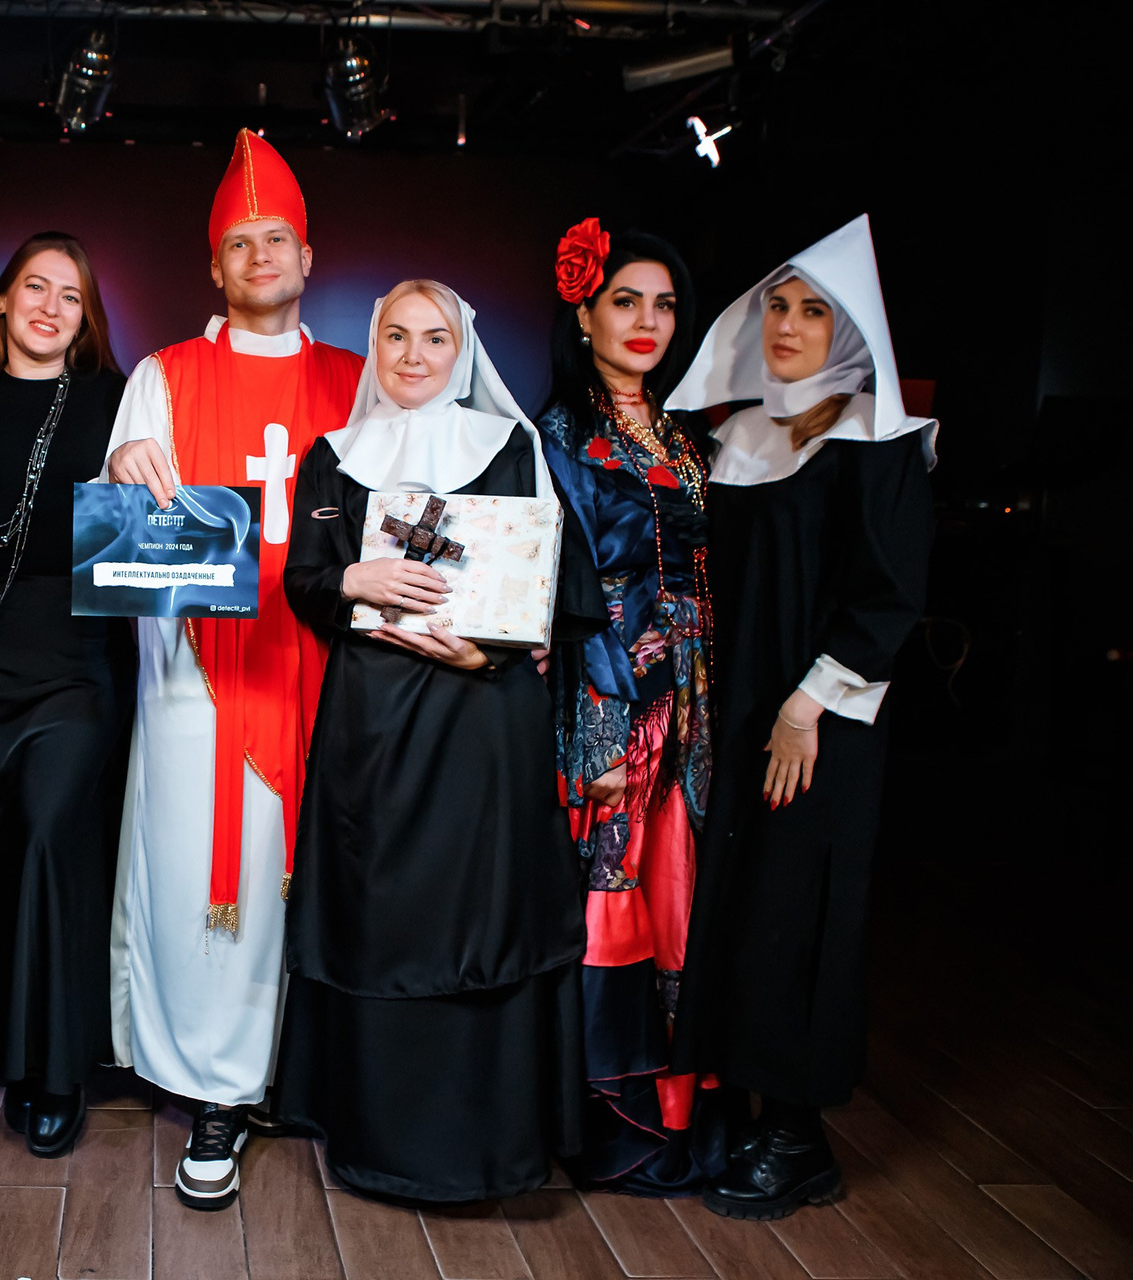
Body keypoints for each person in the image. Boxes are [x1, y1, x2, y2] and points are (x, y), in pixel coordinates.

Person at [275, 280, 601, 1202]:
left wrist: (487, 649)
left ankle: (482, 1148)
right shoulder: (335, 454)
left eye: (434, 338)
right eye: (395, 336)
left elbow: (551, 584)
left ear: (462, 352)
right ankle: (381, 1141)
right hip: (373, 726)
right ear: (374, 346)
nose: (413, 355)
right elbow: (304, 583)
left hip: (482, 716)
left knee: (482, 909)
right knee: (381, 912)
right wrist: (355, 578)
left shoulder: (510, 445)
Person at [104, 128, 363, 1211]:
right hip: (203, 675)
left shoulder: (360, 378)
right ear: (214, 266)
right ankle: (217, 1089)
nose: (261, 255)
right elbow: (128, 550)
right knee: (211, 877)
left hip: (336, 668)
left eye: (278, 238)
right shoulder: (163, 376)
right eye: (240, 242)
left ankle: (307, 1075)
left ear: (308, 257)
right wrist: (125, 468)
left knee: (329, 870)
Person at [665, 214, 935, 1219]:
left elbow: (889, 597)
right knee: (741, 908)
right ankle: (746, 1109)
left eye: (813, 310)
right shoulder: (736, 438)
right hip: (744, 716)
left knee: (798, 912)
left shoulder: (880, 442)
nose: (786, 324)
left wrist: (805, 706)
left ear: (849, 331)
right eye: (776, 305)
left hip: (817, 726)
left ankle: (798, 1136)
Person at [0, 232, 134, 1158]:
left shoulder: (116, 400)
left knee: (54, 838)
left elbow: (165, 513)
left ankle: (56, 1068)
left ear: (86, 318)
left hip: (74, 654)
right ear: (5, 300)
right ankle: (7, 1043)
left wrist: (140, 462)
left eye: (71, 295)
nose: (52, 307)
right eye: (36, 287)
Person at [535, 221, 726, 1195]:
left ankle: (685, 1118)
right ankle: (611, 1124)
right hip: (612, 695)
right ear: (585, 314)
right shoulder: (559, 438)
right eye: (625, 300)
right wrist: (602, 730)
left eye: (664, 304)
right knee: (614, 895)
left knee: (686, 899)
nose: (647, 320)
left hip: (697, 701)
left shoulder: (689, 437)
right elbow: (560, 594)